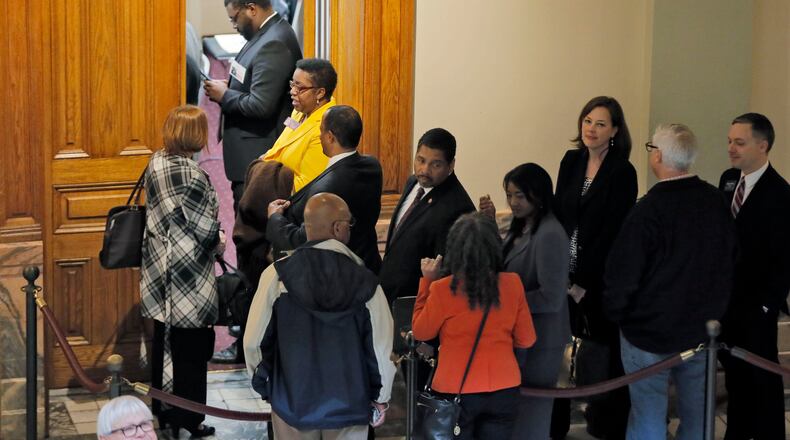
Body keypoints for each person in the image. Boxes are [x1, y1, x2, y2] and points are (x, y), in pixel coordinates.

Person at [604, 124, 737, 440]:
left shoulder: (647, 211)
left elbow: (622, 275)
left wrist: (618, 314)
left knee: (648, 416)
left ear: (658, 156)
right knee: (698, 417)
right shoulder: (716, 202)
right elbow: (731, 260)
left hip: (648, 335)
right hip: (702, 330)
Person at [244, 193, 396, 440]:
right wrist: (381, 398)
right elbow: (381, 350)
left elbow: (254, 342)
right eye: (349, 224)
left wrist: (267, 386)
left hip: (291, 403)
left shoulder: (277, 276)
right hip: (350, 407)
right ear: (338, 228)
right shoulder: (367, 283)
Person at [215, 57, 338, 364]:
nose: (292, 91)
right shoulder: (299, 113)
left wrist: (268, 174)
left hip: (289, 220)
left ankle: (263, 349)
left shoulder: (325, 124)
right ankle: (250, 339)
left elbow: (306, 185)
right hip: (269, 209)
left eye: (300, 86)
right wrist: (265, 168)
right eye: (292, 84)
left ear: (320, 93)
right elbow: (274, 153)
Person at [552, 96, 637, 439]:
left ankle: (604, 424)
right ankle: (556, 425)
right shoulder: (571, 161)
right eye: (588, 120)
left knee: (602, 355)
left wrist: (585, 284)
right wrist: (562, 273)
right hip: (564, 272)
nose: (591, 129)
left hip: (598, 281)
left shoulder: (622, 171)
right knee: (560, 354)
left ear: (615, 130)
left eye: (601, 124)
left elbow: (615, 232)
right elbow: (559, 213)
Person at [412, 212, 536, 440]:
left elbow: (421, 331)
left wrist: (427, 282)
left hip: (456, 389)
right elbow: (526, 339)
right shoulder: (513, 284)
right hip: (504, 387)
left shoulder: (442, 289)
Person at [140, 105, 223, 439]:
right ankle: (190, 420)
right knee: (191, 350)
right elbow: (206, 232)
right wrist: (220, 241)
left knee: (165, 343)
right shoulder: (193, 176)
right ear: (197, 135)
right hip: (186, 277)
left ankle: (163, 409)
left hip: (159, 272)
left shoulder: (156, 162)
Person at [479, 163, 571, 440]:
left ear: (538, 195)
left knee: (533, 418)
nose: (513, 202)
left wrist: (505, 302)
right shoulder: (524, 227)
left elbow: (551, 297)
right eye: (509, 195)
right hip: (523, 336)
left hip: (543, 340)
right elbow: (508, 268)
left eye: (520, 195)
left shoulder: (551, 233)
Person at [718, 113, 790, 440]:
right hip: (725, 303)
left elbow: (783, 259)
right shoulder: (729, 179)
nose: (731, 148)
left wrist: (766, 307)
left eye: (740, 142)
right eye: (730, 141)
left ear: (763, 145)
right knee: (734, 379)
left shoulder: (781, 194)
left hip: (756, 307)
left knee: (762, 380)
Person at [204, 0, 301, 211]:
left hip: (258, 159)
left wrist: (225, 95)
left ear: (251, 9)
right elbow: (254, 80)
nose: (234, 25)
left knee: (250, 230)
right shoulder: (265, 33)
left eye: (234, 18)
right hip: (250, 154)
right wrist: (230, 86)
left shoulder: (274, 42)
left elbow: (261, 105)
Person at [266, 105, 383, 273]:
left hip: (336, 273)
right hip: (368, 263)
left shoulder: (326, 190)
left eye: (321, 131)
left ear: (330, 137)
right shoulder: (372, 166)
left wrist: (275, 218)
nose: (319, 136)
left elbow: (303, 239)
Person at [379, 128, 475, 305]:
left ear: (451, 165)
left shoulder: (458, 208)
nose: (424, 170)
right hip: (390, 295)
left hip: (416, 304)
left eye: (435, 164)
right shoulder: (413, 182)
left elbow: (447, 274)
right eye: (420, 160)